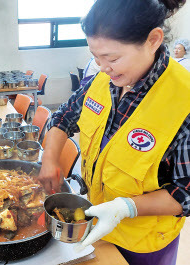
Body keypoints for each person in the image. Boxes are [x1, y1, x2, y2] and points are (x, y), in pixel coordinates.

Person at [39, 0, 189, 264]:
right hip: (96, 225)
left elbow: (185, 192)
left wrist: (126, 208)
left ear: (153, 40)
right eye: (95, 57)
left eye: (112, 58)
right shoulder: (102, 80)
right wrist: (50, 159)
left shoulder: (183, 100)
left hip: (144, 243)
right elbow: (63, 117)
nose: (103, 67)